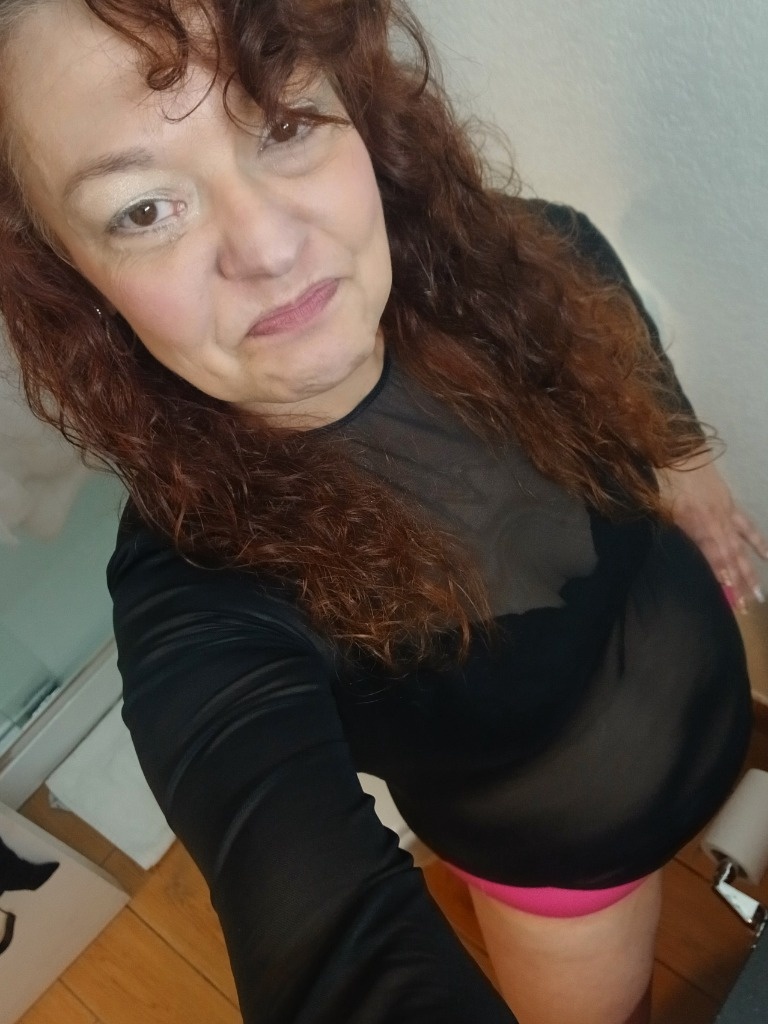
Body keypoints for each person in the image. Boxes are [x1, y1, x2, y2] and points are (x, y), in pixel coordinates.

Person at [0, 0, 765, 1021]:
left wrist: (684, 457)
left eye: (283, 122)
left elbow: (578, 248)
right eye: (144, 210)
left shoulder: (483, 265)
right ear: (69, 276)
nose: (269, 245)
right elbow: (325, 938)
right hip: (568, 877)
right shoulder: (201, 589)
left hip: (713, 689)